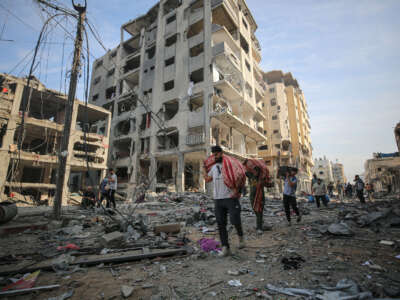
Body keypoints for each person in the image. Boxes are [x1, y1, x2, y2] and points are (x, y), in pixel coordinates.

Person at [203, 146, 245, 257]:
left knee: (235, 220)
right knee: (221, 224)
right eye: (213, 155)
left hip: (231, 197)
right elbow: (208, 179)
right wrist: (203, 171)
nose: (214, 156)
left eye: (216, 154)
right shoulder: (214, 167)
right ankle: (225, 247)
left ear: (221, 153)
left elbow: (240, 175)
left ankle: (241, 237)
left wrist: (238, 190)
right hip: (218, 199)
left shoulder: (231, 165)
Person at [245, 165, 265, 235]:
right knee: (256, 211)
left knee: (259, 212)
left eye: (256, 171)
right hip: (252, 197)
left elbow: (268, 183)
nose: (254, 172)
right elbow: (245, 170)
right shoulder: (251, 176)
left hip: (260, 197)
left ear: (258, 172)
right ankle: (260, 223)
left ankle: (259, 228)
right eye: (254, 171)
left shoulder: (261, 178)